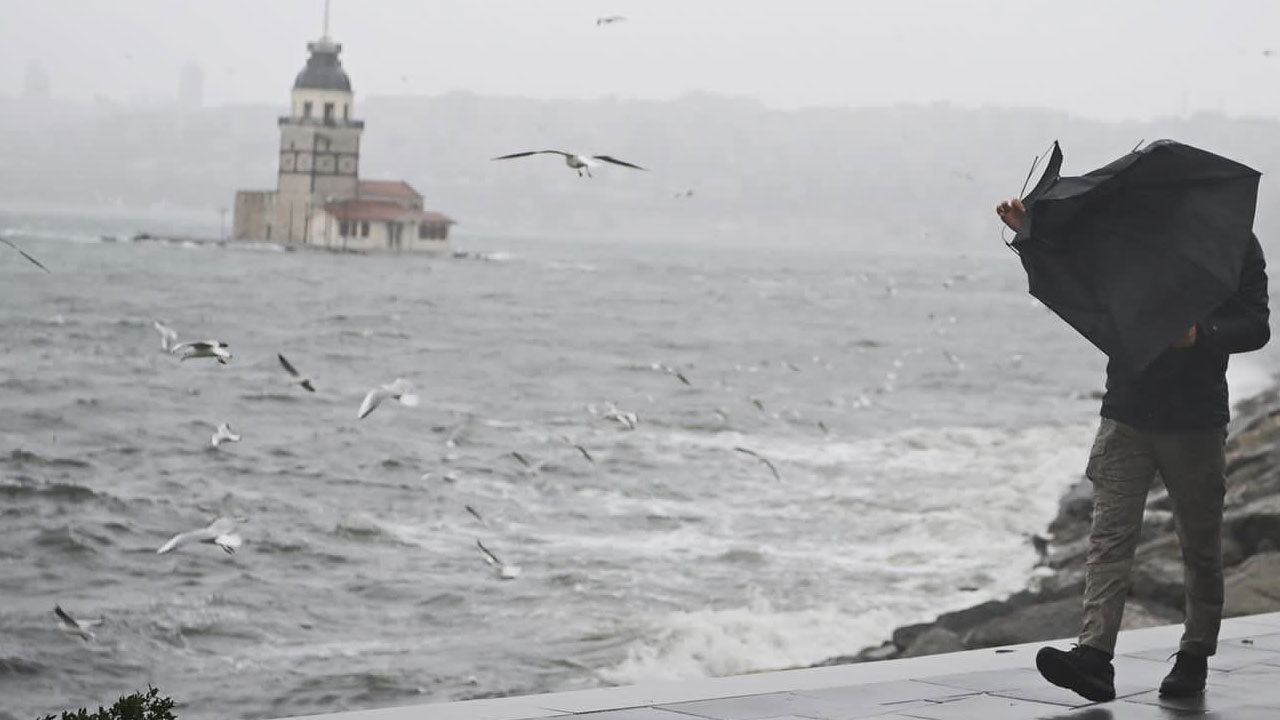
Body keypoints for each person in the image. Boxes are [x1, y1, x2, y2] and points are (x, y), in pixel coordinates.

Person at [996, 196, 1271, 702]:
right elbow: (1074, 278)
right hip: (1126, 411)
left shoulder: (1236, 248)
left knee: (1201, 546)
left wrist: (1200, 334)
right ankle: (1095, 658)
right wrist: (1028, 233)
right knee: (1108, 539)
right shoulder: (1130, 240)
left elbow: (1256, 325)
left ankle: (1194, 656)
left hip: (1196, 420)